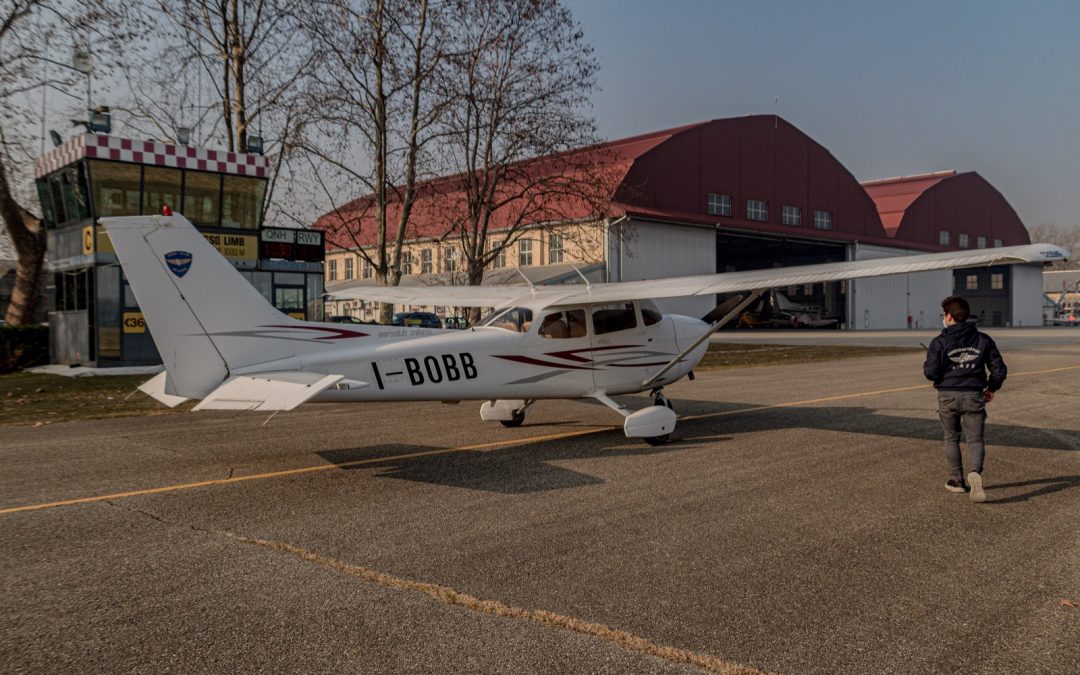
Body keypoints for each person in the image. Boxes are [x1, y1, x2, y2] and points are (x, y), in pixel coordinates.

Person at [923, 296, 1007, 503]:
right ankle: (975, 472)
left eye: (944, 315)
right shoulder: (983, 339)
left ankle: (957, 480)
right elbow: (999, 370)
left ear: (949, 316)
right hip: (974, 395)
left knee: (951, 437)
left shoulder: (939, 342)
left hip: (947, 396)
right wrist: (992, 388)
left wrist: (940, 368)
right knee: (975, 439)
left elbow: (931, 373)